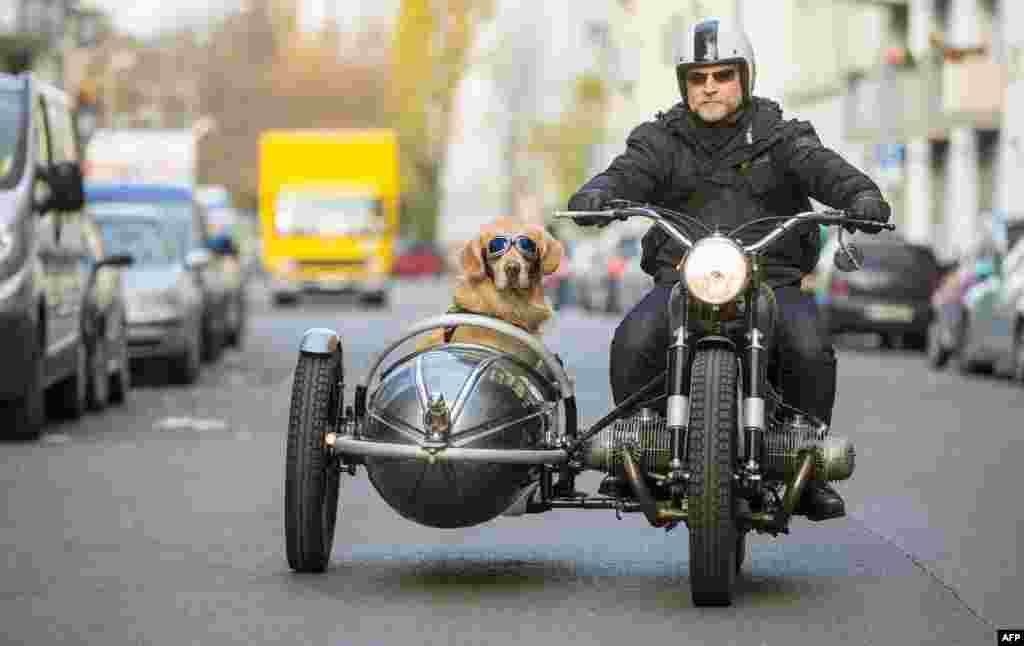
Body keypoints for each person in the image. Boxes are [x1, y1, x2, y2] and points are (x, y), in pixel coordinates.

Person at [567, 17, 891, 521]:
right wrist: (600, 194)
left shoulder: (780, 136)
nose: (711, 86)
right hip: (684, 278)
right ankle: (637, 454)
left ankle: (807, 466)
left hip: (771, 280)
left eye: (722, 75)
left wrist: (860, 194)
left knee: (809, 346)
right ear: (685, 85)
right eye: (699, 78)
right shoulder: (662, 137)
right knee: (634, 337)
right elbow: (629, 170)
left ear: (745, 78)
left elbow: (820, 165)